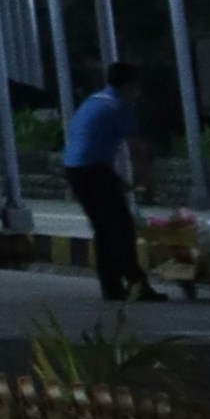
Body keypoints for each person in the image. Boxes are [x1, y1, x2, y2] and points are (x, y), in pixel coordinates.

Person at [63, 59, 148, 299]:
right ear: (130, 85)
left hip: (77, 169)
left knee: (105, 229)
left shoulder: (94, 100)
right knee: (121, 229)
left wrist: (116, 179)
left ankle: (113, 287)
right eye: (137, 86)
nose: (138, 92)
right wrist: (145, 179)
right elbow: (135, 148)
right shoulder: (120, 105)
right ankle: (137, 285)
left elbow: (92, 142)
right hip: (93, 172)